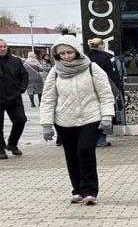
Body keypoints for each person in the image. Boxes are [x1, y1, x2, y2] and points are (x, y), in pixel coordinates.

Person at [40, 36, 115, 204]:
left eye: (69, 52)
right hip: (64, 120)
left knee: (85, 150)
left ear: (77, 51)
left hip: (90, 117)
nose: (66, 56)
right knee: (72, 154)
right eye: (62, 54)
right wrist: (46, 123)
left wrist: (107, 116)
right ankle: (78, 190)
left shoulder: (91, 68)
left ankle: (90, 191)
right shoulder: (55, 72)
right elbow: (48, 99)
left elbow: (105, 93)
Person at [85, 38, 122, 148]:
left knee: (91, 113)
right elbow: (112, 76)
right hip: (103, 89)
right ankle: (101, 139)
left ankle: (91, 138)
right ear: (101, 46)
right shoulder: (106, 58)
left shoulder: (85, 58)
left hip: (88, 89)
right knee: (104, 113)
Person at [0, 38, 29, 158]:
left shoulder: (16, 61)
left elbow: (24, 75)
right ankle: (1, 148)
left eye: (4, 46)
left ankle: (12, 144)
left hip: (14, 97)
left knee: (20, 120)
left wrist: (21, 88)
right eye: (0, 47)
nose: (2, 49)